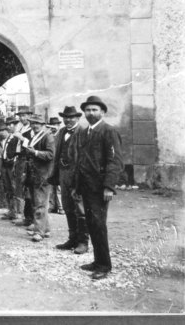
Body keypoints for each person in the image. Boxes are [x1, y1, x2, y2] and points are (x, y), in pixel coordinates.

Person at [73, 96, 123, 280]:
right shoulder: (85, 132)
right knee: (92, 224)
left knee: (99, 225)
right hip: (86, 187)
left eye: (94, 110)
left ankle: (104, 265)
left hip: (100, 188)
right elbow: (82, 161)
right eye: (87, 110)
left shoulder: (108, 131)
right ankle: (97, 261)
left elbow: (114, 161)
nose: (90, 113)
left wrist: (109, 186)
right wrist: (77, 186)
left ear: (102, 112)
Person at [51, 106, 88, 254]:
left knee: (80, 209)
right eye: (65, 117)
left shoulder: (83, 132)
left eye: (71, 117)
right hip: (63, 173)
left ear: (78, 118)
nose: (68, 120)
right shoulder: (61, 132)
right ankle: (72, 238)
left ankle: (83, 242)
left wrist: (81, 176)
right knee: (67, 207)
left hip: (77, 175)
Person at [23, 113, 55, 242]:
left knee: (40, 204)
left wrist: (35, 152)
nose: (34, 125)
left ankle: (39, 232)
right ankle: (45, 229)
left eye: (37, 123)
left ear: (43, 125)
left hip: (43, 175)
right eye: (33, 123)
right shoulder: (35, 136)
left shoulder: (48, 137)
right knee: (38, 203)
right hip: (34, 175)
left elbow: (50, 155)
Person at [11, 106, 34, 227]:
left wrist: (22, 138)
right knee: (19, 185)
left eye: (24, 115)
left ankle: (30, 218)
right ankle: (23, 215)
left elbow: (33, 144)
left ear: (29, 116)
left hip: (27, 159)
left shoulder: (32, 128)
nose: (22, 118)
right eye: (20, 116)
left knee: (28, 187)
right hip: (19, 158)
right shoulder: (20, 127)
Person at [1, 116, 21, 220]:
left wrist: (13, 160)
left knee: (14, 188)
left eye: (11, 124)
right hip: (5, 165)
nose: (9, 126)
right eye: (8, 125)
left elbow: (19, 152)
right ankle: (11, 210)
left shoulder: (18, 137)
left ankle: (17, 212)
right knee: (7, 188)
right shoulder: (9, 136)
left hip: (12, 165)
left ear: (15, 125)